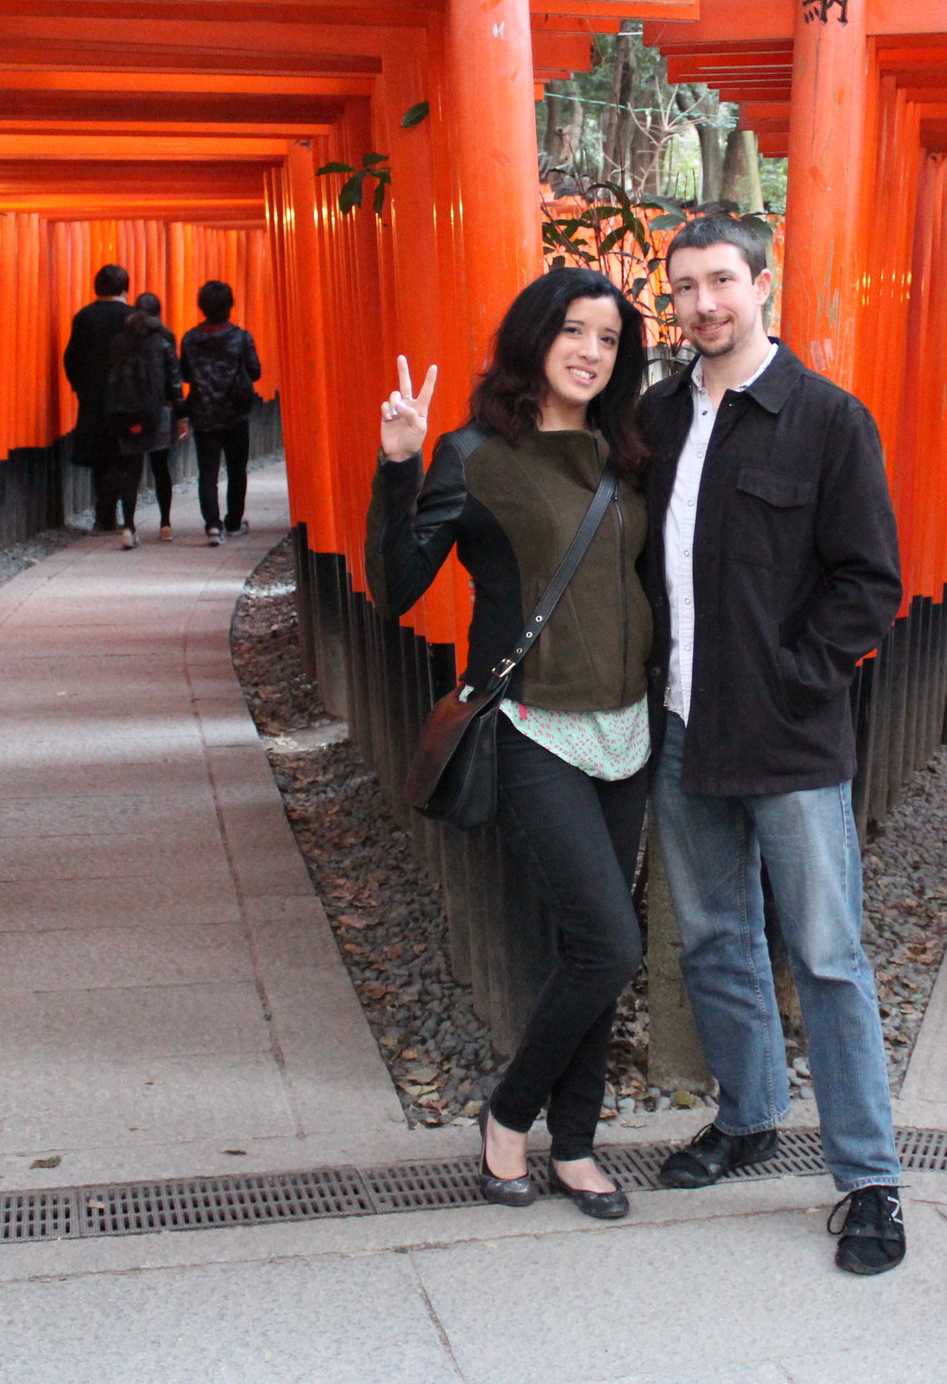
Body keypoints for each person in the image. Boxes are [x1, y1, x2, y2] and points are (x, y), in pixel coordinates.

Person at [639, 213, 910, 1278]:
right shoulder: (657, 419)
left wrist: (794, 677)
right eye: (686, 286)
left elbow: (868, 582)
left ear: (763, 284)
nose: (704, 302)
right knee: (710, 936)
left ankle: (870, 1175)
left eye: (721, 281)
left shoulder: (827, 420)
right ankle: (748, 1112)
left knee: (828, 953)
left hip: (790, 737)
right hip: (680, 727)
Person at [366, 266, 654, 1222]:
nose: (590, 351)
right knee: (612, 941)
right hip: (532, 724)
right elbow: (396, 585)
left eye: (609, 339)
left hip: (626, 727)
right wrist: (401, 462)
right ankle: (508, 1115)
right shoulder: (476, 452)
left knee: (594, 945)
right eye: (574, 331)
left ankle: (575, 1144)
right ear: (534, 337)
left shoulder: (629, 453)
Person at [181, 279, 263, 543]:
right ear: (230, 305)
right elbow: (255, 371)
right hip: (235, 413)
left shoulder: (191, 339)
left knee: (208, 472)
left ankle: (213, 525)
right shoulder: (240, 337)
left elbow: (184, 374)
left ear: (201, 306)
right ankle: (233, 521)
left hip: (203, 413)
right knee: (237, 470)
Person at [100, 293, 181, 551]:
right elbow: (174, 381)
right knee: (160, 468)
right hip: (158, 412)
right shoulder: (164, 340)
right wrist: (182, 414)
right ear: (158, 313)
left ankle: (129, 527)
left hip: (127, 412)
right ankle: (165, 524)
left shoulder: (119, 341)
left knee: (131, 471)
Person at [63, 264, 134, 533]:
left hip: (93, 395)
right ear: (124, 287)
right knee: (123, 455)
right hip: (126, 398)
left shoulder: (84, 317)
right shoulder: (132, 316)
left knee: (100, 456)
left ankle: (103, 517)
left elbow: (71, 357)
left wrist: (80, 386)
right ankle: (120, 515)